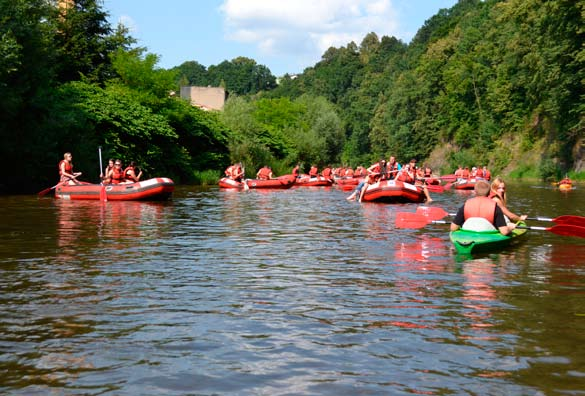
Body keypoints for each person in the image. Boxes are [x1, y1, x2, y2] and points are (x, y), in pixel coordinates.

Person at [451, 180, 518, 235]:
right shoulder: (495, 207)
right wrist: (510, 228)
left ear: (475, 192)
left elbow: (453, 228)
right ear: (489, 193)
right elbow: (504, 232)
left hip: (468, 232)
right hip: (486, 234)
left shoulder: (466, 205)